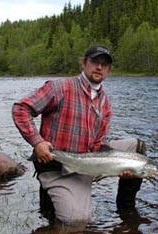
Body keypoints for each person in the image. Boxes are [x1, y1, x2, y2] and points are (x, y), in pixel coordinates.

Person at [12, 45, 145, 226]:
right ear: (83, 63)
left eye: (104, 64)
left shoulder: (104, 102)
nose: (99, 67)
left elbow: (97, 143)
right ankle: (50, 198)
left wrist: (123, 166)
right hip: (56, 166)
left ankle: (126, 210)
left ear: (109, 69)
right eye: (94, 62)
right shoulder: (59, 87)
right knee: (77, 221)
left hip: (87, 161)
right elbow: (21, 109)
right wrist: (37, 142)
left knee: (136, 150)